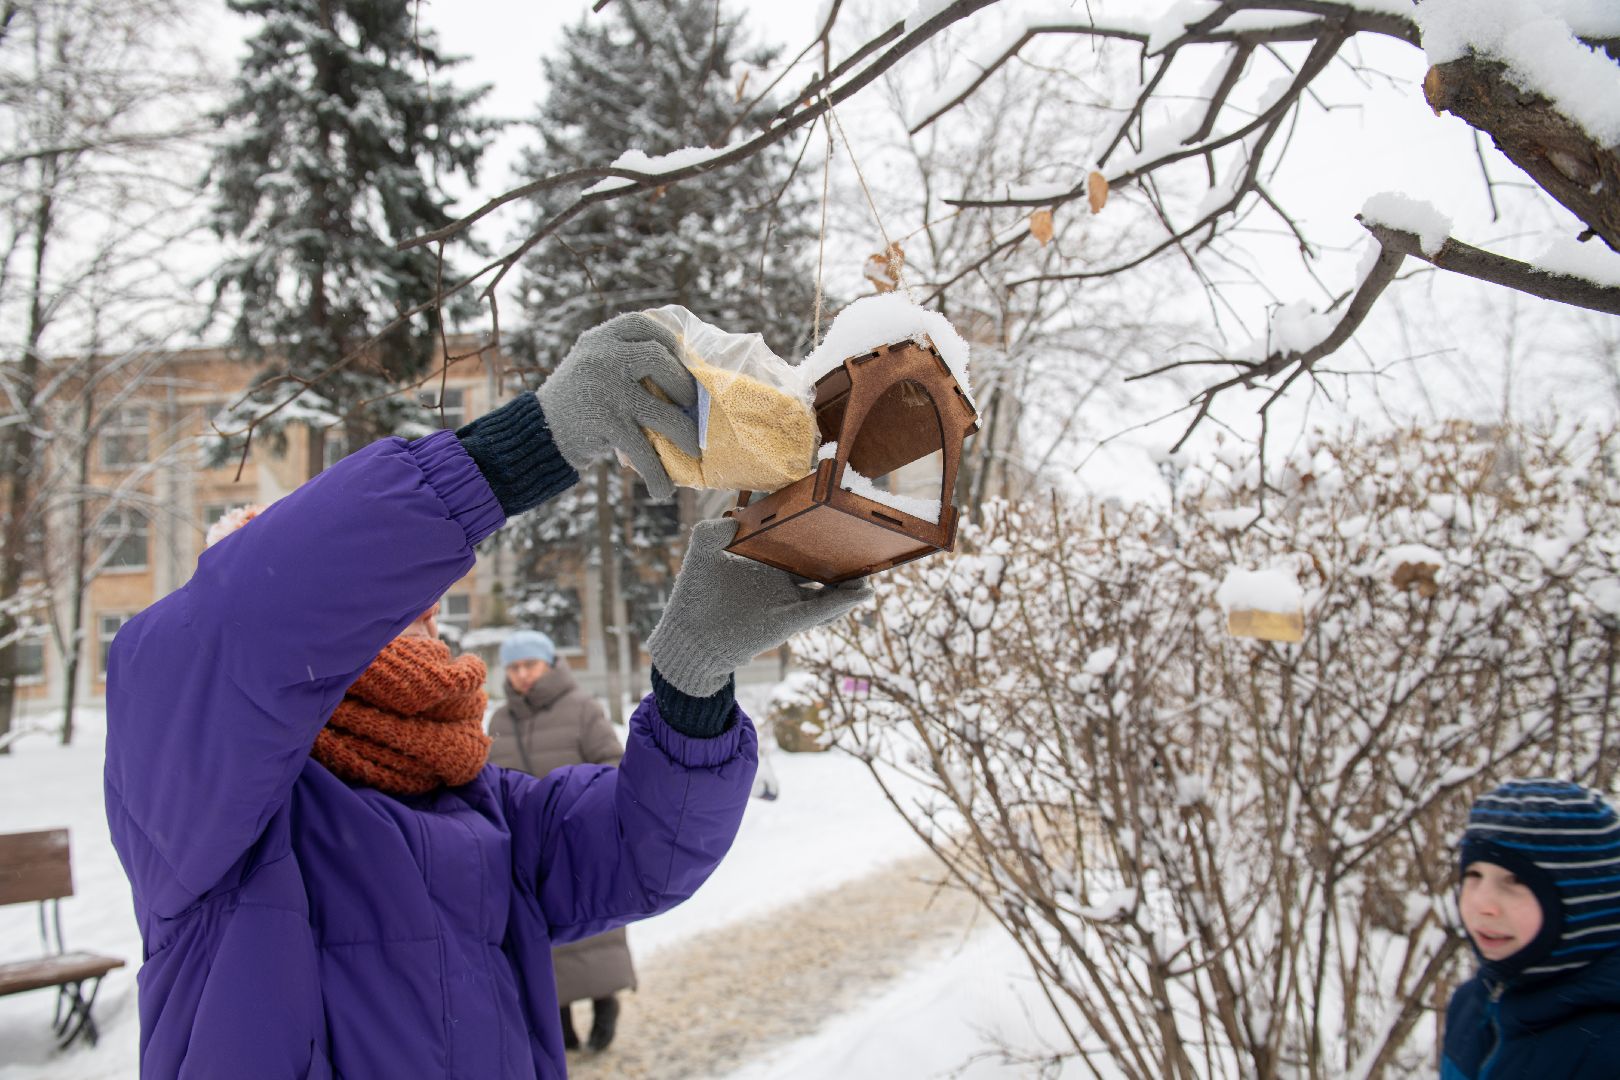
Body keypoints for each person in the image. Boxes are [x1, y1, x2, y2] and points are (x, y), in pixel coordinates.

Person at [103, 313, 873, 1079]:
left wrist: (691, 681)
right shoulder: (199, 797)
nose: (411, 624)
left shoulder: (476, 801)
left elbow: (645, 853)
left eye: (414, 612)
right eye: (372, 605)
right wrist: (525, 447)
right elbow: (241, 627)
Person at [489, 629, 632, 1052]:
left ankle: (606, 1002)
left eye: (529, 665)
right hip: (526, 856)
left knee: (596, 931)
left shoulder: (582, 709)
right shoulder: (498, 721)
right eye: (514, 667)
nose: (522, 675)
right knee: (544, 944)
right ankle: (560, 1018)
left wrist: (585, 814)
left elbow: (612, 764)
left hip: (580, 845)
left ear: (550, 664)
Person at [1442, 778, 1620, 1079]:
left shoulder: (1607, 1048)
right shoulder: (1471, 1006)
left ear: (1583, 906)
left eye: (1516, 881)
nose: (1483, 903)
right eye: (1474, 874)